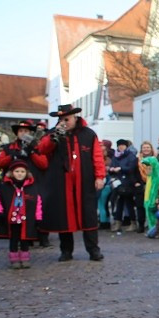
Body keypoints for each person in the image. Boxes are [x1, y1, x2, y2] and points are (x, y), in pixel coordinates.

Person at [35, 104, 105, 261]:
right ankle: (66, 251)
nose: (64, 122)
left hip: (84, 181)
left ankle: (93, 250)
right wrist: (56, 136)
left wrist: (100, 176)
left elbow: (97, 157)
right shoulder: (54, 133)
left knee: (89, 216)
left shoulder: (88, 134)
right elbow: (42, 149)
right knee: (64, 217)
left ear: (74, 117)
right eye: (61, 119)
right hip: (62, 182)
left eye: (66, 119)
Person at [0, 160, 43, 269]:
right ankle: (14, 258)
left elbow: (37, 203)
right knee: (13, 239)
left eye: (22, 171)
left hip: (26, 218)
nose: (19, 174)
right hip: (12, 219)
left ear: (26, 173)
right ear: (12, 173)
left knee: (25, 239)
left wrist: (38, 217)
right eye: (17, 171)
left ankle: (25, 258)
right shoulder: (5, 187)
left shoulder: (32, 187)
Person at [110, 139, 140, 232]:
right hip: (117, 182)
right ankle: (118, 222)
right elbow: (112, 165)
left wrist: (121, 168)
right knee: (119, 202)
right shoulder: (115, 156)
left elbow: (131, 168)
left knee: (129, 202)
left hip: (128, 182)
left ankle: (133, 222)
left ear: (126, 146)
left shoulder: (131, 156)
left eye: (123, 145)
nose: (121, 147)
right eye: (119, 145)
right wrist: (111, 169)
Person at [139, 141, 159, 236]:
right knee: (147, 206)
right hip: (148, 185)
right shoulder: (144, 160)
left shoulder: (154, 160)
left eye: (148, 147)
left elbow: (151, 163)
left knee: (152, 207)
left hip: (154, 185)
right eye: (144, 147)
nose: (146, 149)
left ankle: (155, 229)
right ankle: (151, 228)